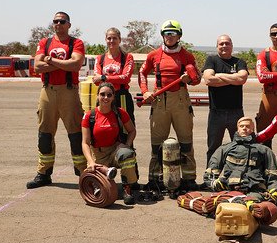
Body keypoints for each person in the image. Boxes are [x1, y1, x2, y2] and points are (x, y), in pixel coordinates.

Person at [138, 20, 201, 192]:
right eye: (166, 33)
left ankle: (188, 179)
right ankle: (155, 179)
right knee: (156, 144)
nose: (170, 37)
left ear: (179, 35)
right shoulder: (154, 56)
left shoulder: (187, 56)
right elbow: (142, 73)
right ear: (162, 36)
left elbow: (197, 79)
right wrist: (144, 91)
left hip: (181, 101)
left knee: (186, 142)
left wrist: (191, 78)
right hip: (159, 101)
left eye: (173, 33)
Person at [26, 11, 87, 189]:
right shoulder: (45, 42)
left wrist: (50, 60)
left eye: (62, 21)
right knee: (44, 135)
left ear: (69, 24)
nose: (58, 24)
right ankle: (44, 172)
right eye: (55, 21)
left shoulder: (76, 43)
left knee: (76, 134)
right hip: (47, 92)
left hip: (69, 92)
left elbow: (76, 64)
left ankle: (83, 172)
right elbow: (37, 67)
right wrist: (63, 63)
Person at [81, 82, 139, 205]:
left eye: (109, 95)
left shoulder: (120, 113)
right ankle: (105, 171)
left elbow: (132, 131)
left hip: (114, 151)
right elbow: (85, 143)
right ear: (97, 96)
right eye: (102, 94)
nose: (106, 98)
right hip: (98, 154)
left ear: (113, 97)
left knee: (127, 154)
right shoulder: (89, 116)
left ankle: (127, 188)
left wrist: (127, 144)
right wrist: (91, 162)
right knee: (94, 188)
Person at [203, 116, 277, 204]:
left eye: (247, 126)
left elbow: (273, 175)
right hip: (229, 189)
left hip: (255, 190)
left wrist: (274, 192)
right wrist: (216, 185)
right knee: (219, 204)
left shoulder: (264, 150)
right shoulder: (225, 149)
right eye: (241, 126)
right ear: (237, 129)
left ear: (253, 129)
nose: (244, 128)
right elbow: (210, 174)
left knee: (253, 206)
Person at [202, 34, 248, 165]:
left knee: (241, 146)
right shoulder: (211, 60)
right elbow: (209, 79)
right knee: (213, 148)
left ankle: (239, 175)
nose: (224, 46)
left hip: (236, 112)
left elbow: (242, 79)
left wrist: (219, 76)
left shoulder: (239, 62)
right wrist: (233, 78)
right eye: (221, 44)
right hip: (216, 113)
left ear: (232, 46)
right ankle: (210, 174)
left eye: (227, 43)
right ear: (217, 46)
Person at [93, 27, 136, 125]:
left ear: (119, 40)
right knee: (103, 125)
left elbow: (125, 78)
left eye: (114, 38)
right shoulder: (100, 59)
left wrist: (104, 78)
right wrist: (116, 78)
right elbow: (96, 80)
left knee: (125, 128)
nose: (111, 41)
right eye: (109, 38)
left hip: (122, 97)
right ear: (105, 40)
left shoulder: (127, 57)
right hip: (104, 97)